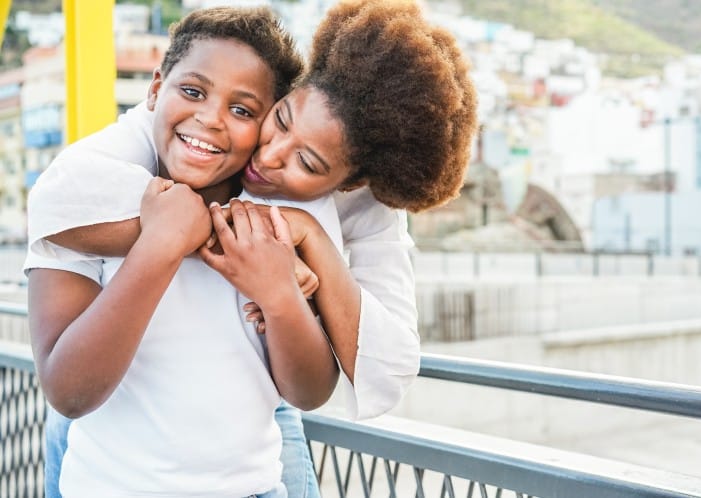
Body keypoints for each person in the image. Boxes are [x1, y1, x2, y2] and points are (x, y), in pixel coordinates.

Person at [26, 1, 478, 497]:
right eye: (280, 120)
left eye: (307, 163)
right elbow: (56, 204)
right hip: (111, 458)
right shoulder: (160, 139)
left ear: (348, 185)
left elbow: (363, 374)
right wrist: (215, 239)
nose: (269, 155)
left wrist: (305, 251)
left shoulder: (351, 201)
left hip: (249, 454)